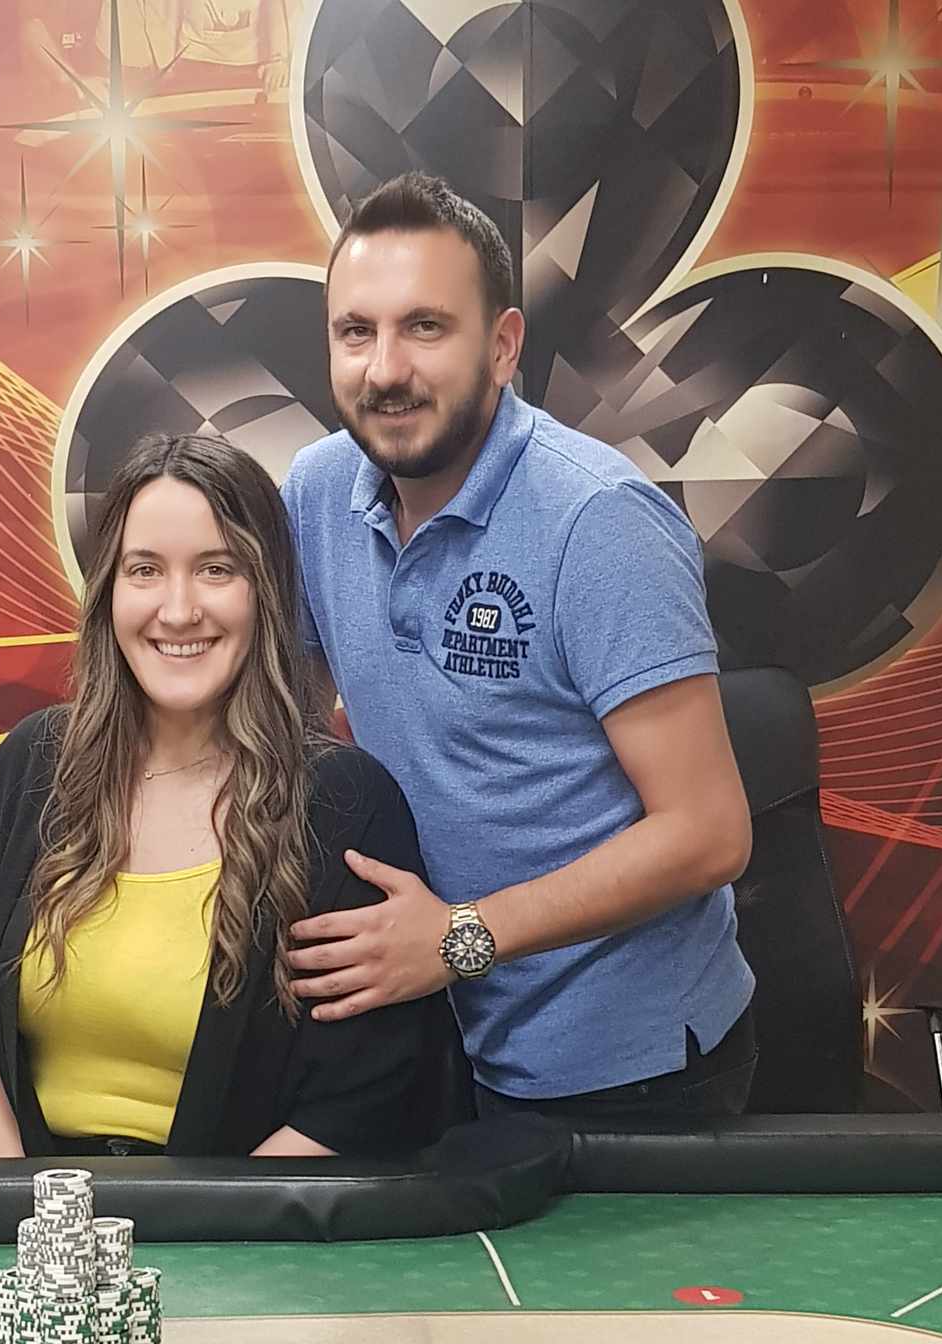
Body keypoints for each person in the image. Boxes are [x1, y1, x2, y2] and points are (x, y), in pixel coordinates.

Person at [281, 172, 758, 1126]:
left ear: (502, 347)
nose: (384, 370)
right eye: (356, 332)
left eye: (425, 327)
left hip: (629, 1069)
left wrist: (457, 939)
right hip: (435, 1036)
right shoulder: (316, 489)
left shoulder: (599, 520)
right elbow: (285, 718)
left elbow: (710, 833)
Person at [0, 430, 449, 1166]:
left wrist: (196, 1228)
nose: (178, 610)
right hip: (39, 1211)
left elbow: (362, 1098)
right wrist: (30, 1209)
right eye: (145, 570)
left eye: (216, 569)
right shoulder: (33, 764)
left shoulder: (343, 803)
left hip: (251, 1220)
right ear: (108, 591)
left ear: (267, 594)